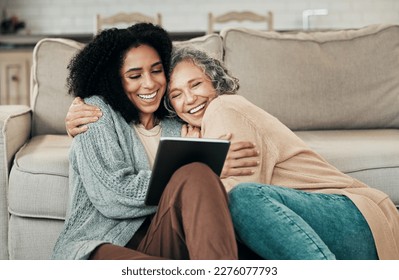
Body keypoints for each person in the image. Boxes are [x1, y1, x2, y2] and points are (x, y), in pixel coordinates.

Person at [67, 46, 399, 260]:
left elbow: (226, 204)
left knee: (241, 200)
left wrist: (199, 166)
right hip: (314, 226)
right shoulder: (187, 125)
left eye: (196, 85)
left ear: (215, 83)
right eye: (177, 95)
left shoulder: (225, 108)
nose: (190, 100)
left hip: (355, 219)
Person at [52, 23, 244, 260]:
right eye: (134, 75)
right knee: (195, 169)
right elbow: (112, 197)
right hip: (103, 244)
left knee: (197, 173)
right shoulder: (95, 113)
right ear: (113, 80)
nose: (150, 83)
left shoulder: (178, 116)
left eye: (156, 70)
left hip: (163, 240)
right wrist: (200, 168)